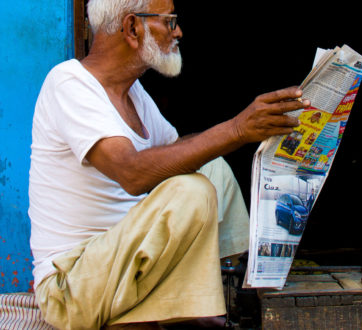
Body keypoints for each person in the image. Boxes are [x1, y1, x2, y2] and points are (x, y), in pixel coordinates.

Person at [28, 0, 310, 329]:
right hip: (74, 287)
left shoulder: (133, 94)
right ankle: (180, 313)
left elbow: (177, 151)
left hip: (121, 272)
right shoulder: (68, 83)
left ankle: (237, 285)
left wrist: (249, 131)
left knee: (211, 168)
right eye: (170, 21)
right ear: (132, 28)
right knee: (191, 190)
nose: (178, 31)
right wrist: (235, 129)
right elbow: (132, 173)